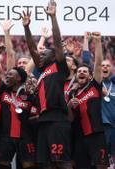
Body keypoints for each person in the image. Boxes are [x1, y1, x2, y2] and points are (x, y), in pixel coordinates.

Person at [22, 1, 72, 168]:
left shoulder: (59, 66)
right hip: (44, 120)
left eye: (45, 53)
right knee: (44, 163)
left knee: (61, 162)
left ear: (54, 55)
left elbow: (57, 42)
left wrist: (53, 17)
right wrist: (26, 28)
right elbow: (31, 48)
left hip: (57, 119)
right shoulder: (42, 70)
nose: (40, 54)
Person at [67, 32, 109, 169]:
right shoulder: (71, 93)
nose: (82, 73)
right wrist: (68, 106)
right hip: (79, 137)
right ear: (76, 75)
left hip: (96, 134)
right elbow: (70, 118)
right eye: (79, 71)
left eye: (85, 71)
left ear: (90, 76)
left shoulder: (95, 86)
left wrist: (97, 42)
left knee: (100, 166)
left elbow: (97, 65)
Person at [101, 59, 115, 163]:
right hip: (101, 128)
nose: (105, 67)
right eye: (102, 65)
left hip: (114, 128)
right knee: (101, 162)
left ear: (112, 69)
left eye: (108, 66)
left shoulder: (114, 86)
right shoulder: (94, 85)